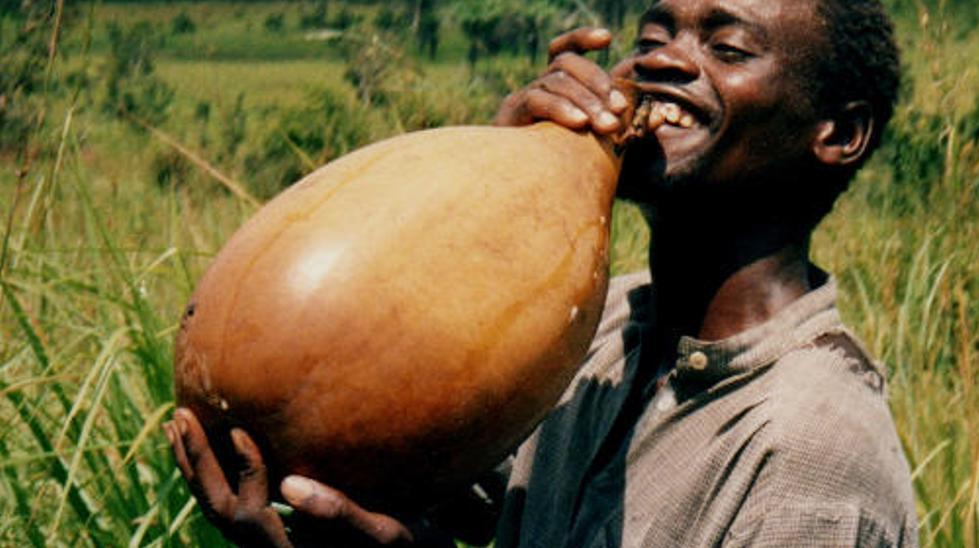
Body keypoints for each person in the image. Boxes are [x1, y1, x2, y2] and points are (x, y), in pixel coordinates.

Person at [164, 0, 917, 545]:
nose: (660, 57)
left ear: (839, 132)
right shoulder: (599, 331)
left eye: (727, 48)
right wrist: (496, 188)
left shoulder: (811, 453)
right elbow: (413, 477)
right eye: (656, 33)